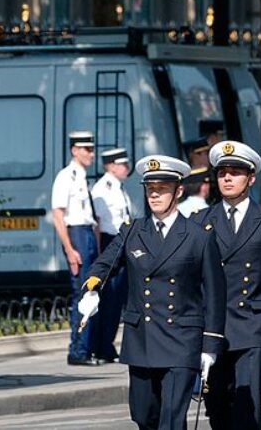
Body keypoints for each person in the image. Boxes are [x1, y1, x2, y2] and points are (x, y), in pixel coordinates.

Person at [77, 155, 226, 430]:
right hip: (142, 340)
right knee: (145, 417)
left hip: (181, 340)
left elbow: (215, 295)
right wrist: (93, 289)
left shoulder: (198, 236)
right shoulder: (133, 231)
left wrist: (210, 346)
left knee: (171, 419)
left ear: (178, 191)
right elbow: (104, 263)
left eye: (162, 189)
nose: (154, 195)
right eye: (150, 189)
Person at [190, 141, 261, 429]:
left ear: (250, 178)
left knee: (247, 411)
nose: (226, 178)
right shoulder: (200, 221)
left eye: (235, 172)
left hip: (253, 327)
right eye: (222, 172)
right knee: (217, 410)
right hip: (214, 328)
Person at [52, 131, 100, 366]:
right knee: (83, 293)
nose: (91, 153)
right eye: (86, 149)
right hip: (77, 234)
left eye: (91, 149)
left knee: (92, 293)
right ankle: (78, 350)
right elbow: (58, 215)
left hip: (87, 233)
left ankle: (86, 348)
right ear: (74, 150)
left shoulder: (81, 176)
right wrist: (70, 250)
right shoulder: (66, 176)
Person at [91, 147, 133, 364]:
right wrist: (101, 256)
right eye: (123, 164)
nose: (126, 168)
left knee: (117, 300)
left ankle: (107, 345)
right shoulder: (102, 188)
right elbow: (98, 224)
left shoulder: (118, 187)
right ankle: (103, 347)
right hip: (110, 242)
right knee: (109, 298)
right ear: (112, 166)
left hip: (121, 242)